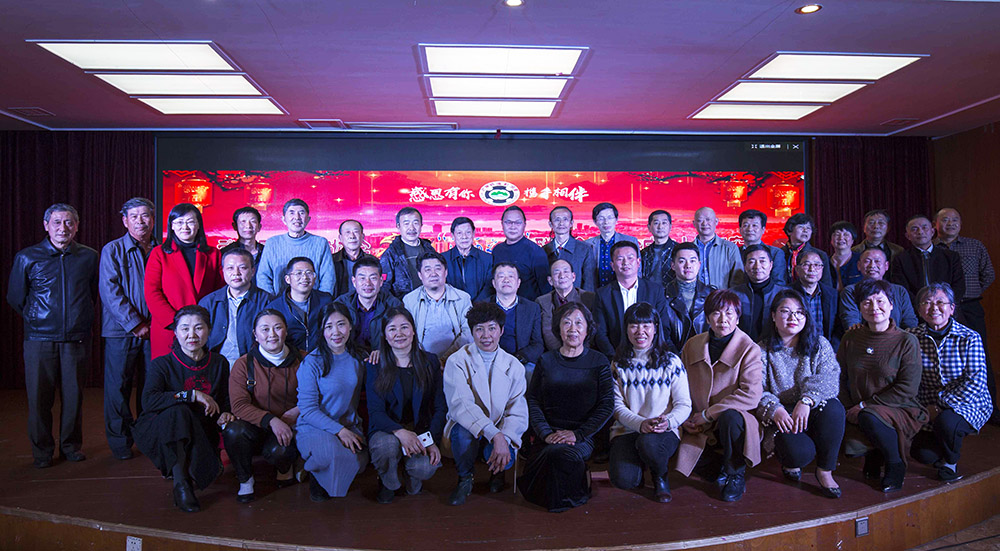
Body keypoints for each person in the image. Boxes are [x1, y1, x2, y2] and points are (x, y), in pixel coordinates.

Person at [7, 203, 98, 468]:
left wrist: (78, 318)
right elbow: (15, 297)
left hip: (76, 338)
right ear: (46, 225)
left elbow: (92, 293)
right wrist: (38, 319)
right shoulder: (27, 257)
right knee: (39, 399)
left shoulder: (89, 257)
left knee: (73, 397)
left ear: (77, 226)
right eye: (57, 222)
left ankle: (71, 446)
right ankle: (42, 451)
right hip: (39, 339)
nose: (63, 228)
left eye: (69, 222)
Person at [133, 306, 234, 513]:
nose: (192, 335)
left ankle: (197, 466)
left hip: (202, 427)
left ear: (209, 330)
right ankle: (182, 484)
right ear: (176, 332)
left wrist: (226, 412)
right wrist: (190, 395)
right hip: (164, 427)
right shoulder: (162, 364)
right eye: (185, 328)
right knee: (178, 412)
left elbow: (225, 398)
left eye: (199, 328)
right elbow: (149, 401)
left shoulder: (219, 362)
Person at [519, 302, 614, 512]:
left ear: (588, 329)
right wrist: (545, 433)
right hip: (548, 434)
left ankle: (571, 492)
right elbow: (533, 401)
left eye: (579, 323)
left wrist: (577, 434)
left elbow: (607, 405)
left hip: (584, 436)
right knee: (551, 453)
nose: (573, 329)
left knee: (560, 455)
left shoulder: (599, 361)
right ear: (558, 328)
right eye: (567, 322)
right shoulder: (546, 360)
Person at [837, 279, 927, 493]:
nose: (874, 307)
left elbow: (908, 388)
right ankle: (874, 451)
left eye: (880, 301)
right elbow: (838, 376)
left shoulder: (907, 340)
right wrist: (848, 406)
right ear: (860, 308)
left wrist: (864, 405)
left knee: (869, 416)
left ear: (891, 305)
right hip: (858, 406)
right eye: (867, 302)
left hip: (899, 406)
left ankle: (895, 463)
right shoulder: (851, 337)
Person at [677, 289, 763, 502]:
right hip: (697, 421)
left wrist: (708, 414)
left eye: (729, 313)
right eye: (716, 313)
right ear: (707, 318)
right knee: (680, 454)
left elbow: (751, 395)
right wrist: (685, 417)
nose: (723, 319)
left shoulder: (749, 349)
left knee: (731, 417)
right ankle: (720, 468)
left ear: (738, 318)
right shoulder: (692, 345)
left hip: (734, 418)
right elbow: (679, 387)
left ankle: (735, 473)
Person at [757, 289, 844, 499]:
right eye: (785, 311)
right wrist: (774, 409)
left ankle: (825, 471)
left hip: (811, 407)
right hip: (782, 414)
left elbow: (830, 379)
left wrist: (806, 400)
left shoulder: (819, 344)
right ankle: (790, 461)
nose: (793, 317)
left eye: (799, 312)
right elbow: (755, 389)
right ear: (773, 315)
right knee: (799, 453)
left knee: (835, 408)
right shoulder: (761, 349)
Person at [442, 302, 529, 505]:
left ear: (501, 330)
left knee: (505, 454)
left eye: (492, 328)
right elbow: (461, 405)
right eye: (479, 329)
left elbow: (517, 410)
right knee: (462, 434)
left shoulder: (514, 365)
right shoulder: (457, 361)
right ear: (472, 332)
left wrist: (504, 437)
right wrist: (494, 434)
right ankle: (465, 478)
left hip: (500, 426)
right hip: (469, 424)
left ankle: (497, 474)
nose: (486, 335)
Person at [909, 283, 992, 481]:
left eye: (940, 302)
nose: (934, 308)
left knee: (947, 423)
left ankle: (950, 463)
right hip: (927, 404)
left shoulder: (969, 337)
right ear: (919, 310)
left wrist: (940, 406)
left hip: (968, 402)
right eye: (927, 303)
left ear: (952, 308)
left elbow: (976, 381)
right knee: (922, 454)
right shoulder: (912, 337)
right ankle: (943, 445)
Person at [609, 303, 691, 503]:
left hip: (662, 430)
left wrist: (668, 421)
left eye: (646, 326)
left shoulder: (671, 361)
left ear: (655, 328)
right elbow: (617, 406)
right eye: (634, 326)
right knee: (624, 480)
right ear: (626, 329)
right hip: (628, 429)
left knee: (648, 444)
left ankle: (660, 476)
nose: (640, 332)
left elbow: (684, 404)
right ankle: (639, 463)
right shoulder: (618, 364)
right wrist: (639, 423)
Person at [366, 307, 446, 503]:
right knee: (387, 446)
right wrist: (400, 432)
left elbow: (439, 407)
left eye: (404, 327)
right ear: (385, 336)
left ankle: (409, 471)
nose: (399, 333)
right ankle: (387, 480)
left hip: (419, 429)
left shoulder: (430, 361)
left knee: (425, 467)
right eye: (392, 329)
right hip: (387, 430)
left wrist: (431, 440)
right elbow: (375, 412)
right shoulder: (375, 364)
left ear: (413, 331)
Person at [223, 309, 302, 503]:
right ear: (255, 334)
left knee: (281, 451)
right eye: (265, 329)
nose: (272, 334)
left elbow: (317, 395)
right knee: (233, 431)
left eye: (277, 328)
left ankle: (284, 467)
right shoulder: (243, 364)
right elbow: (239, 405)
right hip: (256, 426)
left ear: (286, 331)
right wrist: (271, 420)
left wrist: (298, 411)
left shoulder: (303, 359)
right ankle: (245, 479)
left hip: (289, 426)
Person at [99, 197, 156, 460]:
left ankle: (147, 437)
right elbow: (110, 292)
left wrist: (154, 323)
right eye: (134, 216)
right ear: (125, 221)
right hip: (120, 331)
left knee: (151, 386)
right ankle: (121, 442)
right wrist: (135, 324)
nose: (140, 221)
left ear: (153, 220)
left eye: (145, 216)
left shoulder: (161, 249)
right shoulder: (112, 250)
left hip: (155, 330)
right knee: (117, 388)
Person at [296, 302, 369, 501]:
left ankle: (320, 467)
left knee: (360, 462)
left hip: (348, 425)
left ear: (350, 326)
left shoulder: (359, 358)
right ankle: (313, 468)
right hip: (315, 426)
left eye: (341, 324)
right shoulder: (312, 362)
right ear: (322, 331)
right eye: (328, 326)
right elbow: (308, 410)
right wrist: (339, 431)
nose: (336, 332)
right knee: (332, 455)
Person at [934, 207, 997, 420]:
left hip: (970, 306)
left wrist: (972, 292)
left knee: (980, 355)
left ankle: (990, 407)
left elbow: (988, 274)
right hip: (939, 310)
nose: (950, 223)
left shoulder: (975, 245)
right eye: (945, 220)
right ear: (936, 225)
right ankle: (947, 406)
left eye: (955, 220)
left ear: (960, 224)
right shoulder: (930, 248)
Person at [144, 202, 224, 359]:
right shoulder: (159, 254)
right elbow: (152, 292)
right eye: (179, 222)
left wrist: (206, 322)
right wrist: (176, 323)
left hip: (203, 328)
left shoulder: (213, 254)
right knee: (168, 370)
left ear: (198, 225)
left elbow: (220, 291)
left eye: (190, 222)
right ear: (172, 226)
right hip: (170, 327)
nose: (185, 227)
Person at [594, 241, 672, 356]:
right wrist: (615, 358)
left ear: (638, 262)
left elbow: (663, 327)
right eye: (620, 259)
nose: (626, 263)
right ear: (612, 265)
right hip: (615, 355)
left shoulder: (655, 291)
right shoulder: (603, 294)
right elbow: (600, 333)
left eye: (630, 258)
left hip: (651, 355)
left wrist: (649, 355)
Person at [198, 248, 272, 367]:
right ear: (223, 271)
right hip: (214, 366)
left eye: (243, 268)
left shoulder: (267, 301)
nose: (236, 273)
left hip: (253, 366)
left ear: (253, 271)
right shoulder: (208, 302)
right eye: (230, 268)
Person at [403, 251, 473, 365]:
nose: (433, 274)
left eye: (438, 269)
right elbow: (407, 334)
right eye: (427, 270)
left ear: (446, 272)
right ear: (420, 275)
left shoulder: (463, 298)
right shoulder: (409, 301)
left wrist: (445, 360)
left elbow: (468, 333)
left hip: (457, 361)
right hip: (421, 363)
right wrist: (426, 361)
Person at [256, 199, 335, 296]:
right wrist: (271, 302)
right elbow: (263, 277)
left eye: (301, 213)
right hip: (278, 301)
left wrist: (322, 300)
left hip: (314, 301)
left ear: (308, 219)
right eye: (292, 213)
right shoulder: (272, 243)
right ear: (284, 219)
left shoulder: (320, 243)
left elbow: (328, 278)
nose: (297, 217)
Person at [890, 214, 966, 313]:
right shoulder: (901, 259)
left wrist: (944, 305)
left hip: (946, 310)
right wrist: (921, 306)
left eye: (924, 227)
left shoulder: (950, 257)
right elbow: (902, 288)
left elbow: (959, 286)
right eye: (914, 229)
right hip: (914, 311)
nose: (920, 232)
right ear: (908, 236)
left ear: (932, 232)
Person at [334, 256, 404, 353]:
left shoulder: (393, 306)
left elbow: (401, 338)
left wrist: (383, 353)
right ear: (354, 281)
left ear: (381, 281)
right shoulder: (341, 305)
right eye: (362, 278)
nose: (368, 283)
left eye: (373, 278)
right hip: (348, 356)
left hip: (383, 357)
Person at [839, 248, 918, 330]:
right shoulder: (850, 291)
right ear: (859, 265)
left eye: (877, 261)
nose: (872, 265)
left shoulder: (899, 291)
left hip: (898, 336)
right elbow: (852, 323)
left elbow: (910, 322)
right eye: (867, 261)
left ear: (886, 266)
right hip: (862, 337)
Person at [266, 257, 333, 353]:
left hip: (321, 356)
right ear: (287, 279)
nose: (304, 277)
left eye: (309, 273)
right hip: (290, 358)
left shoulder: (326, 300)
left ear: (315, 277)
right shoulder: (274, 308)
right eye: (298, 273)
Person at [491, 262, 544, 375]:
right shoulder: (483, 306)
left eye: (511, 276)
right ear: (494, 283)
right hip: (491, 360)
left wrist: (519, 358)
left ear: (518, 283)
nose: (506, 280)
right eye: (501, 276)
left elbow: (538, 344)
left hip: (522, 361)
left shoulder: (532, 308)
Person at [492, 205, 551, 300]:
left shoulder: (536, 252)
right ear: (502, 224)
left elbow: (545, 288)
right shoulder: (497, 250)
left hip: (528, 306)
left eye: (518, 222)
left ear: (524, 224)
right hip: (500, 305)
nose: (513, 226)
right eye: (508, 222)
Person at [537, 259, 596, 351]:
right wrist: (563, 352)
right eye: (557, 273)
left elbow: (592, 330)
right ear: (550, 280)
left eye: (566, 271)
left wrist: (579, 351)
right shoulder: (542, 302)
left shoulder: (589, 298)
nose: (562, 276)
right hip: (555, 352)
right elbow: (547, 332)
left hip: (584, 351)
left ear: (573, 276)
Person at [663, 243, 714, 348]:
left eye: (692, 261)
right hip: (674, 353)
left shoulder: (712, 294)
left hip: (706, 352)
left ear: (699, 264)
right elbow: (662, 334)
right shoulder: (663, 295)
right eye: (682, 261)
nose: (688, 265)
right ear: (673, 265)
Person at [731, 245, 785, 341]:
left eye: (762, 261)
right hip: (742, 346)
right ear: (745, 266)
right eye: (751, 262)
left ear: (771, 265)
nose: (757, 266)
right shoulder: (733, 295)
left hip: (775, 346)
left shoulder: (784, 295)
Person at [381, 207, 436, 299]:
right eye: (406, 224)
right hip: (403, 304)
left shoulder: (429, 249)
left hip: (431, 302)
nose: (411, 228)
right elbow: (384, 288)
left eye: (415, 223)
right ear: (398, 226)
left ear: (421, 225)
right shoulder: (391, 254)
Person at [789, 250, 840, 348]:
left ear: (822, 269)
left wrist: (832, 349)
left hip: (825, 348)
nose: (812, 269)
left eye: (817, 265)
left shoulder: (832, 295)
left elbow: (838, 327)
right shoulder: (787, 293)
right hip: (795, 347)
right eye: (806, 264)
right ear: (797, 269)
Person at [587, 202, 640, 289]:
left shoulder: (630, 241)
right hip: (596, 291)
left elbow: (638, 269)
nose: (606, 222)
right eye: (601, 218)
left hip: (624, 290)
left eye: (610, 217)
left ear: (616, 219)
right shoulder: (587, 244)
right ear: (595, 221)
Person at [544, 206, 596, 292]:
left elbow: (589, 283)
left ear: (571, 223)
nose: (561, 223)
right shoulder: (543, 251)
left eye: (565, 219)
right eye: (557, 219)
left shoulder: (585, 249)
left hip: (577, 299)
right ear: (550, 224)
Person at [443, 216, 494, 302]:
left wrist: (475, 306)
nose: (464, 237)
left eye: (468, 232)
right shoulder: (443, 259)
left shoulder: (487, 259)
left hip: (480, 307)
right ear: (453, 235)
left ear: (473, 234)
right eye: (459, 233)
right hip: (451, 306)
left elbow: (489, 287)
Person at [690, 207, 741, 290]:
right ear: (694, 223)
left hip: (722, 296)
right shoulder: (688, 249)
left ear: (716, 221)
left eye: (708, 219)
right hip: (693, 297)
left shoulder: (730, 248)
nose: (704, 223)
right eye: (700, 220)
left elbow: (738, 280)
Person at [734, 209, 786, 286]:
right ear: (740, 230)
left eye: (754, 225)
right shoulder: (734, 252)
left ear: (763, 229)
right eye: (745, 225)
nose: (750, 229)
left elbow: (779, 283)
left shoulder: (775, 253)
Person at [780, 213, 834, 288]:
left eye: (808, 228)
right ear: (789, 231)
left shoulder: (819, 255)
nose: (805, 231)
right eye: (801, 227)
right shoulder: (779, 253)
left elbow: (826, 284)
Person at [331, 219, 376, 298]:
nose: (352, 236)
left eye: (356, 232)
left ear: (362, 236)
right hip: (337, 304)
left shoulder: (373, 261)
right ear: (340, 238)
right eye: (347, 232)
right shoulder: (331, 261)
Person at [640, 209, 679, 289]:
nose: (660, 227)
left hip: (673, 294)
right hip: (649, 293)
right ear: (649, 227)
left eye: (664, 223)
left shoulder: (679, 250)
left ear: (670, 226)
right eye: (656, 223)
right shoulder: (644, 253)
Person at [829, 220, 863, 290]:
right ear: (831, 240)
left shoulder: (861, 260)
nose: (841, 238)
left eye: (846, 234)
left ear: (852, 240)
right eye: (837, 234)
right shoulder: (825, 262)